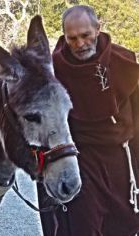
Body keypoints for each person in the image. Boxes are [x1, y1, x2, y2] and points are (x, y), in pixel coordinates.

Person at [37, 5, 139, 236]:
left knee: (121, 226)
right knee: (83, 227)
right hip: (80, 160)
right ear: (64, 35)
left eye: (85, 35)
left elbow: (137, 119)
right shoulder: (53, 70)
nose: (80, 44)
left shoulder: (123, 62)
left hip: (119, 160)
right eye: (72, 38)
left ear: (98, 29)